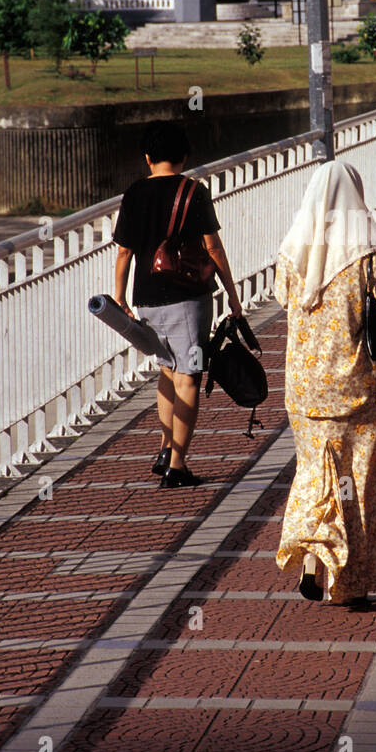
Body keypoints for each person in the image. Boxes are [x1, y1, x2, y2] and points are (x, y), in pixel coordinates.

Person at [275, 161, 376, 605]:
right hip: (358, 391)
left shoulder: (292, 253)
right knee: (358, 483)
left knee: (316, 475)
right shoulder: (369, 255)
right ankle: (350, 585)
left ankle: (314, 560)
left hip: (304, 391)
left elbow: (284, 298)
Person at [113, 120, 243, 489]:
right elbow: (213, 247)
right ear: (184, 156)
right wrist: (231, 293)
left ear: (148, 157)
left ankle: (167, 447)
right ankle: (177, 466)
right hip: (188, 297)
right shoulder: (193, 191)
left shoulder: (134, 192)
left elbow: (124, 250)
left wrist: (119, 296)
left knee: (168, 370)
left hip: (146, 298)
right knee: (188, 375)